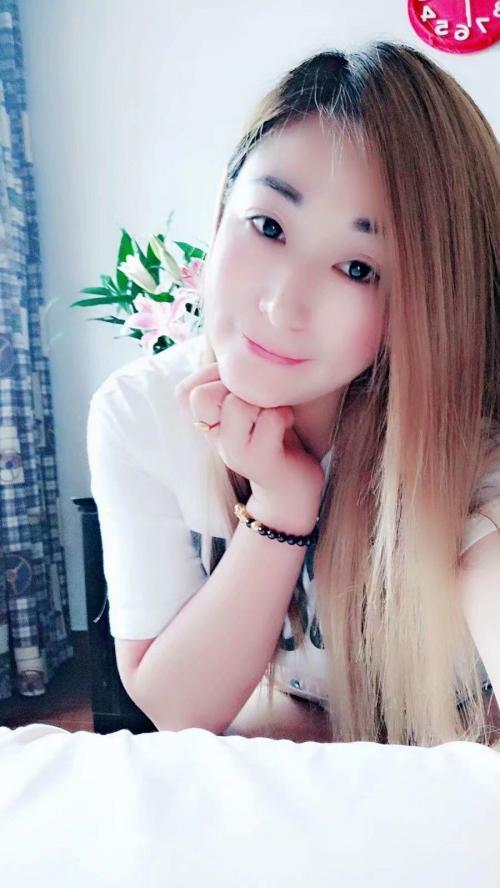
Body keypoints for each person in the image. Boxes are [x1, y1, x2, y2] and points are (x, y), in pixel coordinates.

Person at [87, 40, 500, 748]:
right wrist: (281, 507)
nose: (282, 305)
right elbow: (178, 706)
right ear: (222, 213)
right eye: (269, 226)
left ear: (429, 302)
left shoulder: (469, 438)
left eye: (358, 268)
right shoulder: (142, 412)